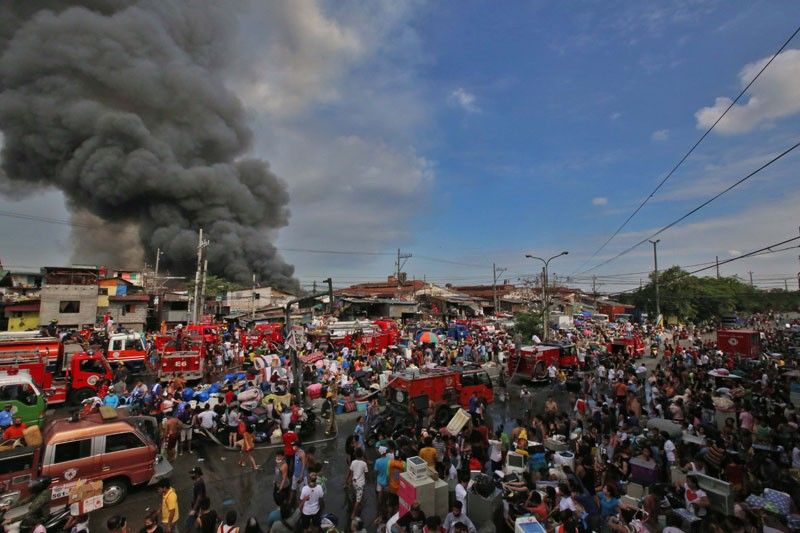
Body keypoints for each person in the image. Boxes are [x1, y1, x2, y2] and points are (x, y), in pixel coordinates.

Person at [347, 448, 368, 520]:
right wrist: (367, 479)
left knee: (357, 493)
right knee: (358, 500)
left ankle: (359, 503)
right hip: (360, 483)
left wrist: (348, 481)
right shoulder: (364, 463)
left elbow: (351, 473)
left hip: (354, 482)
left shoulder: (353, 462)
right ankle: (353, 513)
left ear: (355, 454)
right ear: (362, 455)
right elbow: (366, 473)